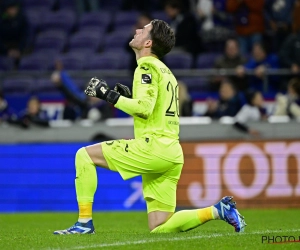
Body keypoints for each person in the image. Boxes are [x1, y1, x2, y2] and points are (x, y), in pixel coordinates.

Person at [53, 19, 246, 234]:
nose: (137, 30)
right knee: (159, 227)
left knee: (84, 156)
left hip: (153, 147)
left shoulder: (145, 66)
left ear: (148, 43)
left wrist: (108, 95)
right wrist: (129, 98)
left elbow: (144, 108)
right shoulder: (167, 73)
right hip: (172, 152)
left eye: (143, 30)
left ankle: (84, 223)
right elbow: (153, 109)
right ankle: (218, 211)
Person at [0, 0, 28, 64]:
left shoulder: (22, 19)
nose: (13, 10)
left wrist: (19, 49)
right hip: (4, 49)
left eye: (14, 8)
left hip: (20, 49)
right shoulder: (1, 20)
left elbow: (26, 36)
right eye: (11, 8)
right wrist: (6, 51)